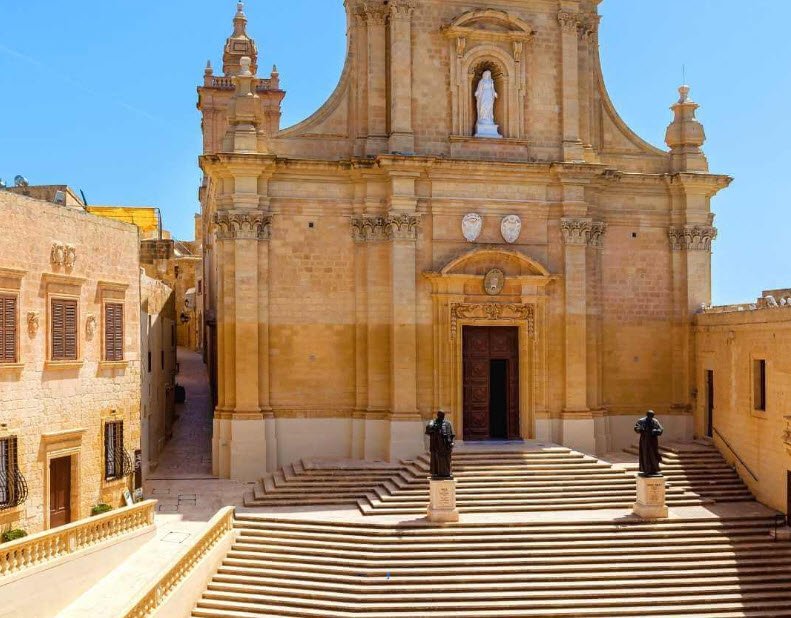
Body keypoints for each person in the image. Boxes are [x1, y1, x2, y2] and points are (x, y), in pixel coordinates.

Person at [425, 410, 455, 479]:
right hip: (436, 445)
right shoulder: (433, 422)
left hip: (446, 445)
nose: (442, 417)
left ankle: (447, 473)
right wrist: (433, 427)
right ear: (438, 415)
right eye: (441, 415)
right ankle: (437, 473)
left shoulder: (448, 423)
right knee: (437, 460)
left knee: (446, 460)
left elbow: (451, 434)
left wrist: (451, 442)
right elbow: (428, 430)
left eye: (443, 415)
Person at [634, 410, 664, 477]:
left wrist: (655, 431)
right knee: (645, 455)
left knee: (654, 454)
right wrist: (640, 429)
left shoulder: (655, 421)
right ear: (647, 415)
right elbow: (636, 428)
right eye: (650, 416)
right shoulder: (641, 421)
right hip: (645, 440)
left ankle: (654, 469)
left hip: (653, 440)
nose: (651, 417)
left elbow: (661, 429)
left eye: (652, 416)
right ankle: (646, 470)